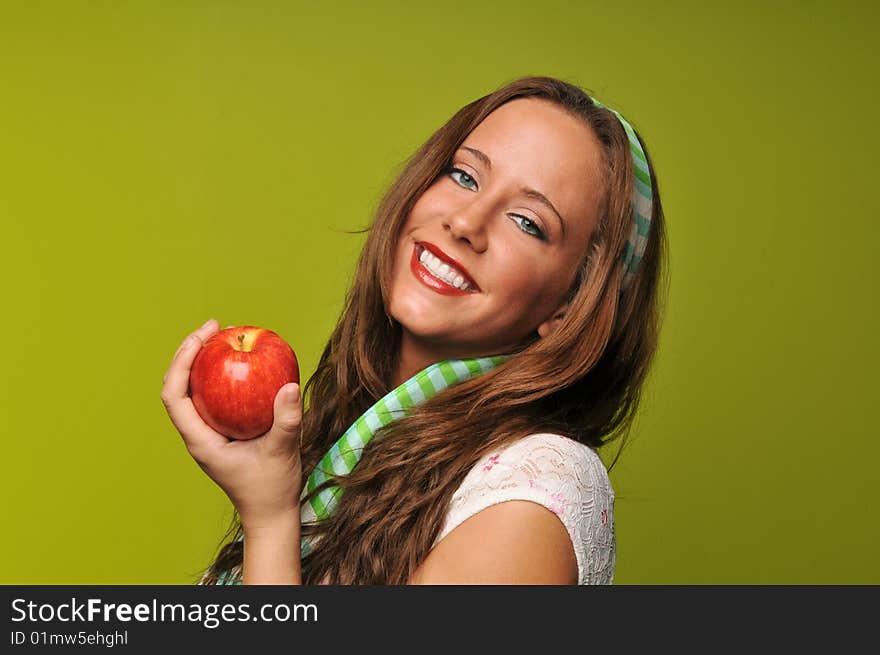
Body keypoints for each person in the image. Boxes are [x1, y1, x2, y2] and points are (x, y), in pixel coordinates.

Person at [161, 75, 667, 585]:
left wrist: (270, 520)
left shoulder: (534, 492)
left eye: (527, 222)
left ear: (570, 305)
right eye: (465, 176)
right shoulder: (357, 435)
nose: (467, 221)